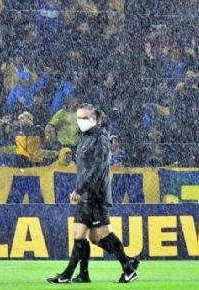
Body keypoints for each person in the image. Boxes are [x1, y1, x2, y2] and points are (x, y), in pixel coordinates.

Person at [47, 104, 139, 284]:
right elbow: (85, 168)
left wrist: (79, 190)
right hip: (86, 194)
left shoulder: (101, 139)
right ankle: (84, 274)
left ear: (94, 119)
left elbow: (97, 169)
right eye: (78, 118)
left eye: (84, 118)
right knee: (86, 235)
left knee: (98, 235)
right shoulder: (84, 138)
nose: (80, 121)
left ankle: (126, 268)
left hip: (96, 194)